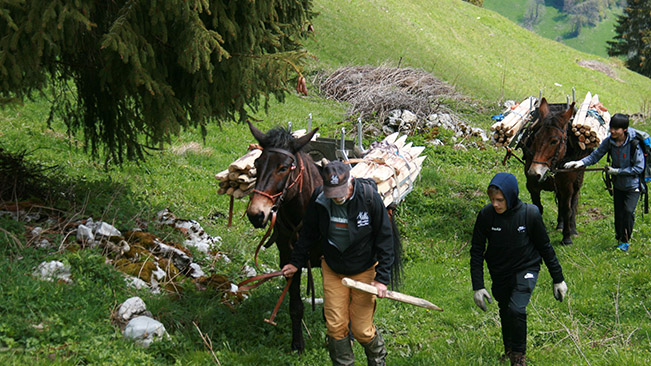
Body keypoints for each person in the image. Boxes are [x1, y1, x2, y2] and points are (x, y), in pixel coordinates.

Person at [281, 161, 394, 366]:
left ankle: (378, 360)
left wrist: (382, 279)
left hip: (363, 269)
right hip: (333, 269)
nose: (338, 196)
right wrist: (296, 262)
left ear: (351, 181)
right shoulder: (319, 198)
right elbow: (308, 233)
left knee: (361, 329)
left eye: (341, 191)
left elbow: (385, 240)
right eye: (333, 192)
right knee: (335, 326)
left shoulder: (369, 198)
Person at [470, 172, 567, 366]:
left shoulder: (529, 214)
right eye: (492, 200)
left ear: (511, 196)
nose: (495, 204)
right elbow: (477, 252)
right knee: (505, 309)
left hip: (526, 267)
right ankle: (509, 350)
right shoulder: (486, 215)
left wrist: (558, 279)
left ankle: (518, 358)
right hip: (500, 271)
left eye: (500, 200)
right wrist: (478, 286)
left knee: (516, 309)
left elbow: (545, 247)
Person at [564, 113, 645, 252]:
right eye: (611, 128)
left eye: (616, 129)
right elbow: (595, 156)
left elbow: (639, 167)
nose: (612, 131)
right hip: (618, 185)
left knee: (628, 212)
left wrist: (617, 171)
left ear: (624, 130)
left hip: (633, 185)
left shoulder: (634, 144)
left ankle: (625, 240)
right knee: (619, 214)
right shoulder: (609, 142)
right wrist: (579, 163)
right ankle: (620, 237)